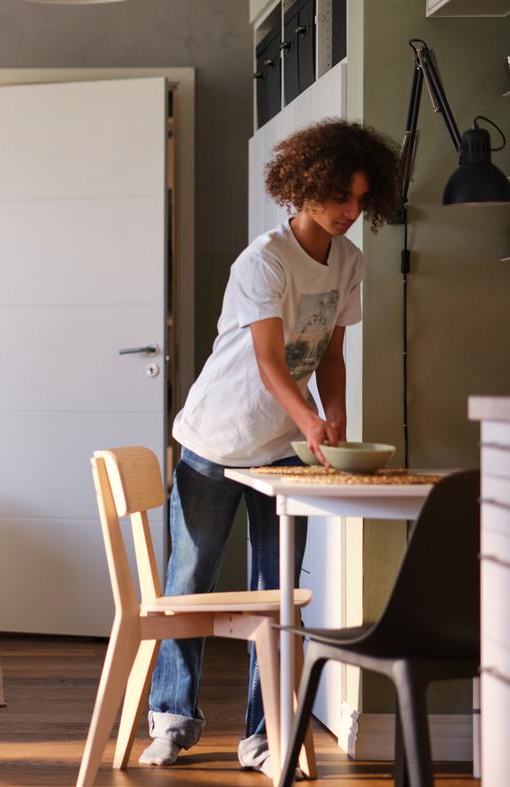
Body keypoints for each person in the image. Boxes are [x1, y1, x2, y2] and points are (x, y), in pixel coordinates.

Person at [141, 119, 401, 771]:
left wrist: (334, 413)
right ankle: (173, 720)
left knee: (276, 587)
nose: (349, 212)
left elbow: (332, 355)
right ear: (306, 187)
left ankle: (263, 734)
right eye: (340, 197)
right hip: (215, 438)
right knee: (191, 581)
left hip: (281, 445)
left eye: (360, 200)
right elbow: (269, 363)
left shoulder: (349, 262)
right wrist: (312, 422)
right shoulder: (263, 260)